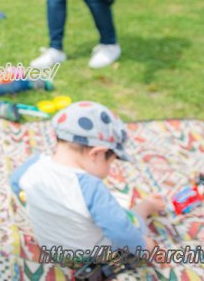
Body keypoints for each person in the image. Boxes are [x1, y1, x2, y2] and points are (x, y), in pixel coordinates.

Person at [10, 101, 166, 266]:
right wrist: (147, 247)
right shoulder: (90, 187)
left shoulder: (32, 166)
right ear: (97, 153)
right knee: (128, 221)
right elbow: (121, 232)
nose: (109, 170)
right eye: (111, 163)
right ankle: (145, 208)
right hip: (88, 257)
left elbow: (14, 184)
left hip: (50, 247)